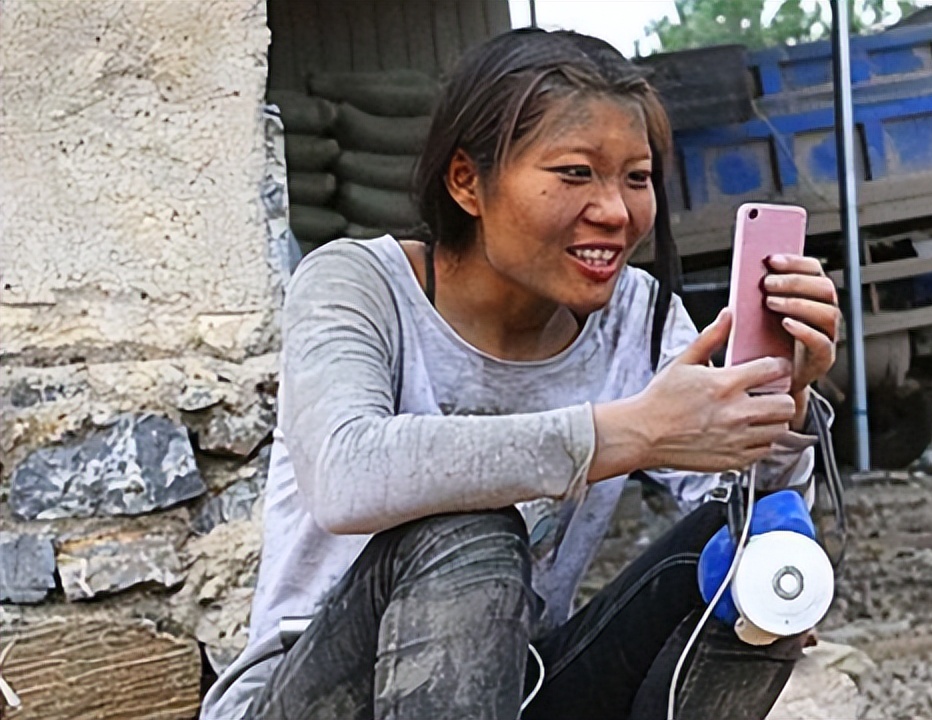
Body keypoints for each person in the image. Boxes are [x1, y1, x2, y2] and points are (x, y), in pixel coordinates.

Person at [200, 27, 841, 720]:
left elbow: (740, 501)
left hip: (517, 691)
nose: (615, 211)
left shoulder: (638, 316)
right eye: (574, 173)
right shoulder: (356, 285)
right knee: (468, 529)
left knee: (753, 556)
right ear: (467, 181)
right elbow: (345, 474)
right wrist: (628, 433)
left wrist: (781, 393)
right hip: (315, 696)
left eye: (636, 177)